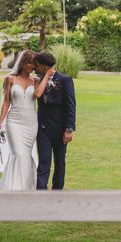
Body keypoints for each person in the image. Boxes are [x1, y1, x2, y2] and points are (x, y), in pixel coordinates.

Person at [0, 50, 54, 190]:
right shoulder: (9, 79)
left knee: (25, 154)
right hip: (13, 122)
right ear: (22, 63)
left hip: (30, 123)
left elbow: (38, 94)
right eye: (29, 63)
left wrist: (46, 75)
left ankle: (26, 187)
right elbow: (6, 103)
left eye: (34, 64)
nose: (32, 67)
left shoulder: (36, 80)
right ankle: (15, 187)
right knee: (18, 153)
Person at [34, 52, 76, 190]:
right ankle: (41, 192)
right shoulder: (37, 80)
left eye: (37, 65)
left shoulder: (65, 80)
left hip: (60, 129)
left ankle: (57, 192)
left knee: (59, 162)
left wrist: (69, 129)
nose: (35, 68)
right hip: (43, 128)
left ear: (45, 67)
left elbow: (71, 105)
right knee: (44, 161)